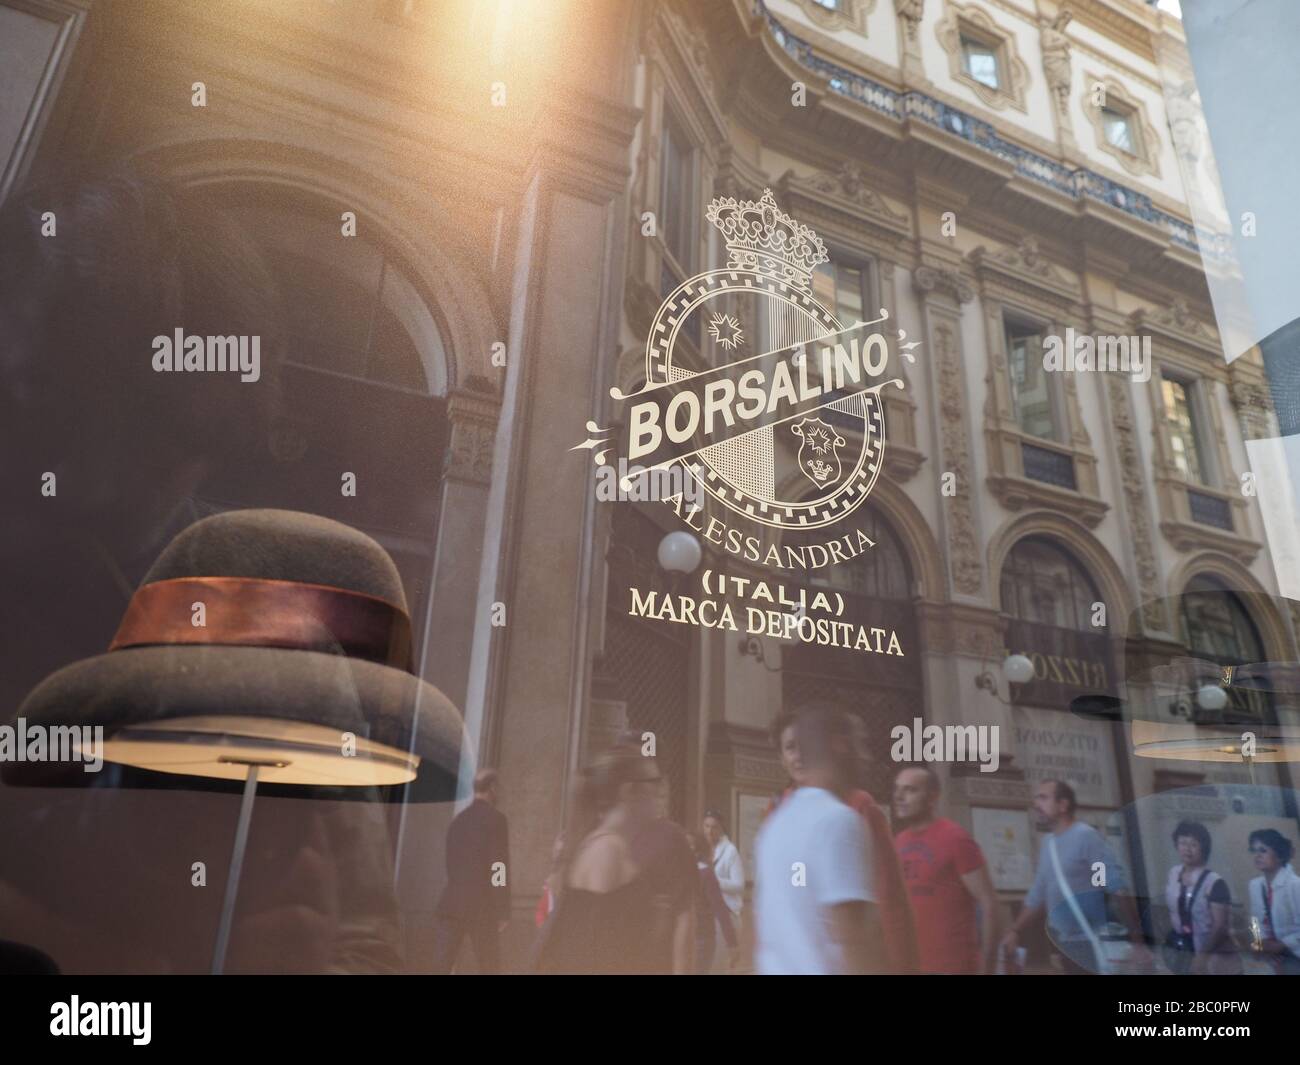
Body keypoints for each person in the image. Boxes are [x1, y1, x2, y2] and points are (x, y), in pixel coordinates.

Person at [765, 707, 920, 973]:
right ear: (781, 758)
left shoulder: (859, 805)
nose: (800, 756)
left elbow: (889, 890)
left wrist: (903, 963)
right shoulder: (779, 810)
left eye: (805, 746)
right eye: (790, 747)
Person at [535, 745, 695, 974]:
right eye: (654, 782)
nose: (661, 791)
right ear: (629, 791)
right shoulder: (608, 851)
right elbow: (599, 949)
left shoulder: (601, 843)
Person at [1001, 780, 1149, 974]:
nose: (1036, 804)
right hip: (1065, 943)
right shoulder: (1048, 844)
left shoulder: (1086, 837)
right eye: (1036, 798)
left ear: (1063, 805)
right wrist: (1015, 930)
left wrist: (1137, 941)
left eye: (1044, 798)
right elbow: (1038, 893)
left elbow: (1113, 885)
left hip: (1091, 943)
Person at [892, 766, 999, 974]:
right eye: (897, 789)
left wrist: (988, 968)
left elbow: (989, 904)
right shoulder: (898, 842)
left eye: (910, 790)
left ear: (933, 797)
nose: (899, 796)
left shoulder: (955, 839)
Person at [432, 769, 511, 974]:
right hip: (482, 906)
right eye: (499, 788)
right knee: (489, 966)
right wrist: (502, 907)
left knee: (441, 966)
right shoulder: (496, 819)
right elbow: (498, 867)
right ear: (493, 788)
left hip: (452, 903)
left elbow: (451, 864)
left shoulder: (458, 821)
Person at [1162, 821, 1240, 975]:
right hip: (1185, 949)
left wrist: (1202, 956)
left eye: (1193, 844)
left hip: (1214, 955)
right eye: (1183, 843)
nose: (1187, 849)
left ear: (1203, 848)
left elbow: (1220, 927)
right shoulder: (1173, 873)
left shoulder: (1215, 882)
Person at [1247, 829, 1300, 975]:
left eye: (1263, 850)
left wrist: (1280, 945)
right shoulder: (1255, 885)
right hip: (1270, 958)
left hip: (1295, 956)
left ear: (1279, 855)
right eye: (1254, 850)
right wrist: (1258, 943)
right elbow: (1255, 921)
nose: (1257, 856)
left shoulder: (1295, 885)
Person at [689, 831, 739, 974]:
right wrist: (732, 942)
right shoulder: (706, 874)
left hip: (684, 936)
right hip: (702, 935)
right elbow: (720, 909)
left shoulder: (677, 872)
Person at [703, 809, 745, 927]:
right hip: (705, 914)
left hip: (726, 913)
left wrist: (714, 881)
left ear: (721, 828)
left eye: (714, 827)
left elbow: (739, 886)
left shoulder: (730, 851)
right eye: (706, 826)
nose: (709, 831)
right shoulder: (700, 850)